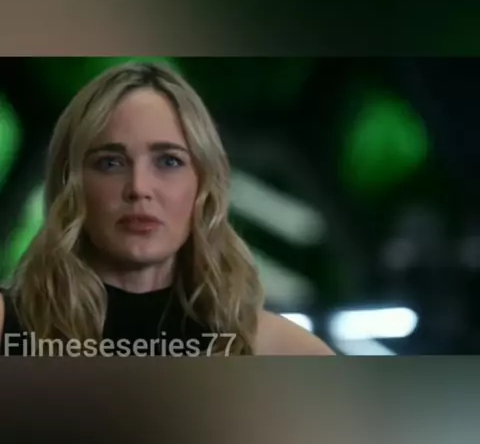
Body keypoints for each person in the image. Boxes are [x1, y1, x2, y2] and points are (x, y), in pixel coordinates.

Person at [0, 61, 334, 357]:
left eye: (169, 161)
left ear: (204, 183)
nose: (139, 188)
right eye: (111, 162)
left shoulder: (274, 349)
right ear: (71, 184)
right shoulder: (9, 328)